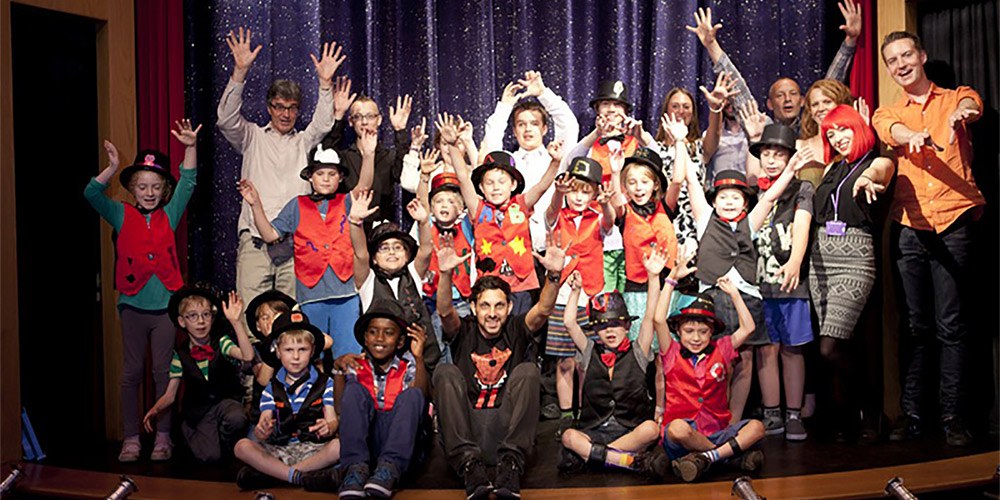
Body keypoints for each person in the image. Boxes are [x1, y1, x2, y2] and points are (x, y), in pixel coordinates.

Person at [872, 30, 983, 446]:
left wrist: (960, 116)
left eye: (906, 55)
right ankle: (913, 415)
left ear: (921, 56)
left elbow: (973, 105)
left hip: (954, 222)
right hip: (910, 226)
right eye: (892, 60)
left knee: (951, 325)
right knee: (915, 326)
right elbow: (892, 130)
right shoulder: (888, 113)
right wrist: (911, 136)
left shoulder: (955, 97)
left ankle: (954, 416)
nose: (900, 64)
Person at [84, 120, 201, 462]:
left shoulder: (171, 213)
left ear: (164, 190)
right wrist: (111, 168)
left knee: (164, 372)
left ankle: (163, 437)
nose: (149, 193)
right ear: (133, 190)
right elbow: (90, 194)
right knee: (132, 373)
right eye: (142, 187)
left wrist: (190, 147)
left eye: (155, 187)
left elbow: (189, 181)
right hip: (132, 306)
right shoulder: (119, 213)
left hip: (166, 306)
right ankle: (132, 438)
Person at [683, 134, 814, 423]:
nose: (729, 202)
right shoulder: (705, 220)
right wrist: (681, 143)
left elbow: (769, 196)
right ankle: (712, 416)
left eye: (736, 197)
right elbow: (691, 182)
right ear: (714, 201)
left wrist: (791, 170)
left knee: (744, 360)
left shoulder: (750, 223)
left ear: (744, 203)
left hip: (746, 300)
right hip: (714, 298)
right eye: (723, 197)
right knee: (716, 358)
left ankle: (734, 420)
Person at [217, 27, 346, 313]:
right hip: (255, 245)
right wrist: (239, 72)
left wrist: (325, 84)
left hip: (294, 247)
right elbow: (225, 120)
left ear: (298, 110)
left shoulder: (303, 142)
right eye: (279, 107)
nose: (285, 114)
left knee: (292, 319)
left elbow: (323, 125)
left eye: (292, 108)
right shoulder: (252, 136)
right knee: (253, 317)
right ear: (269, 107)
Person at [432, 235, 566, 500]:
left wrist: (553, 275)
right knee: (444, 372)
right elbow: (446, 313)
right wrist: (445, 275)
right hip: (467, 433)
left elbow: (542, 310)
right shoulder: (465, 330)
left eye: (499, 305)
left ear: (509, 307)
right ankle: (470, 467)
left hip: (507, 434)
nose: (492, 313)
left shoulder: (516, 328)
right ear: (473, 307)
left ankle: (511, 466)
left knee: (528, 371)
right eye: (485, 306)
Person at [686, 2, 863, 182]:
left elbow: (829, 88)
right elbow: (740, 93)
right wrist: (711, 45)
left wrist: (849, 43)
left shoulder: (812, 127)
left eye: (793, 94)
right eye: (780, 95)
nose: (787, 99)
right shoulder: (764, 127)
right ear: (770, 103)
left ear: (803, 101)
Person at [239, 142, 373, 358]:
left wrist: (368, 155)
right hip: (311, 294)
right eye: (321, 173)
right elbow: (270, 235)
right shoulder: (297, 205)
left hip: (345, 292)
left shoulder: (347, 201)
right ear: (310, 177)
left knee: (348, 356)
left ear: (340, 177)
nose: (326, 178)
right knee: (311, 356)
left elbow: (364, 186)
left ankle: (347, 391)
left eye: (332, 173)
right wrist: (255, 205)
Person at [811, 104, 894, 440]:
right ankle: (849, 416)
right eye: (831, 133)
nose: (837, 137)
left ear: (858, 128)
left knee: (830, 348)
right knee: (841, 345)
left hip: (855, 259)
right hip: (820, 263)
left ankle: (872, 409)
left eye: (843, 129)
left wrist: (868, 179)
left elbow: (882, 172)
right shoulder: (833, 168)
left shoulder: (875, 160)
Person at [557, 253, 669, 478]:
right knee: (569, 436)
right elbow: (569, 323)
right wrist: (575, 292)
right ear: (596, 331)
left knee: (651, 429)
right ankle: (625, 461)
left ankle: (598, 458)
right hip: (596, 430)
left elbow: (650, 316)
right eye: (603, 326)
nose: (609, 331)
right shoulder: (590, 352)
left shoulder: (638, 351)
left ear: (627, 325)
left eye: (616, 324)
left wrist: (653, 277)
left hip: (630, 429)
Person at [653, 261, 765, 483]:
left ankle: (705, 459)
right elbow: (658, 319)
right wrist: (671, 279)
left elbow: (749, 328)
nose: (696, 338)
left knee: (758, 427)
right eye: (689, 331)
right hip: (684, 433)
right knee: (676, 429)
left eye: (703, 332)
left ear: (712, 331)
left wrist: (734, 294)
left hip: (716, 429)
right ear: (678, 330)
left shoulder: (722, 348)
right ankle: (722, 457)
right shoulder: (672, 351)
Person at [446, 122, 563, 315]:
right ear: (482, 188)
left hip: (522, 284)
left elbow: (542, 186)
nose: (496, 187)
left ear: (513, 184)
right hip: (489, 286)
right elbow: (462, 177)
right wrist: (452, 146)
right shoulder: (478, 208)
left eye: (502, 182)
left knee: (521, 335)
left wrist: (555, 162)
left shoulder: (522, 204)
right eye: (489, 183)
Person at [746, 124, 816, 440]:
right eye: (766, 154)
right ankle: (771, 411)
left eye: (779, 154)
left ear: (791, 157)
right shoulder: (752, 192)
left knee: (792, 349)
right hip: (758, 284)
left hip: (789, 283)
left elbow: (802, 224)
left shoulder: (803, 189)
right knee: (766, 350)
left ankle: (793, 413)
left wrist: (795, 262)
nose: (772, 160)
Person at [543, 157, 616, 436]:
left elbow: (608, 222)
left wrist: (607, 202)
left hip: (591, 295)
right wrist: (558, 193)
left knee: (587, 359)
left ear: (595, 193)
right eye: (574, 189)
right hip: (562, 296)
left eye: (586, 191)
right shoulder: (558, 214)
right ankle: (565, 413)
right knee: (565, 361)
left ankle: (587, 409)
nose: (578, 196)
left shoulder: (597, 216)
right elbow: (550, 212)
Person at [142, 287, 255, 462]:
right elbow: (170, 395)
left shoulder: (221, 342)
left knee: (237, 417)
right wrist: (155, 410)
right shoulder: (180, 355)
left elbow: (248, 356)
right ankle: (190, 432)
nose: (201, 322)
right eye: (193, 316)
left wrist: (236, 322)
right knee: (210, 456)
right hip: (199, 412)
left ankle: (225, 442)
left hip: (224, 403)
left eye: (206, 315)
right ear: (182, 321)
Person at [234, 311, 341, 491]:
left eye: (303, 350)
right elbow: (263, 423)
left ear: (313, 351)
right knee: (242, 446)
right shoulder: (271, 387)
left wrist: (329, 426)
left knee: (340, 446)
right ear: (278, 351)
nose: (296, 357)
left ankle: (278, 475)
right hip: (280, 449)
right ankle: (298, 477)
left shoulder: (325, 383)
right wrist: (262, 431)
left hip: (312, 449)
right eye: (289, 350)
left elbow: (332, 419)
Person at [332, 301, 429, 498]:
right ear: (365, 338)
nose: (380, 338)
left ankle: (388, 469)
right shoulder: (354, 365)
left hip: (401, 444)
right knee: (354, 390)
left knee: (412, 395)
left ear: (400, 342)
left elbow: (421, 398)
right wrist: (338, 371)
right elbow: (341, 410)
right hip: (366, 441)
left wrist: (419, 358)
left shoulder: (408, 366)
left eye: (388, 333)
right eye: (373, 332)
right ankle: (354, 470)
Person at [481, 70, 581, 253]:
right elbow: (491, 143)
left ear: (544, 129)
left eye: (534, 124)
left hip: (550, 246)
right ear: (514, 131)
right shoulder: (507, 163)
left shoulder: (557, 157)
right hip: (511, 248)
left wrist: (543, 94)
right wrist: (504, 107)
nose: (528, 129)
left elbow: (569, 125)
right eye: (521, 124)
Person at [348, 189, 442, 371]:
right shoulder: (368, 280)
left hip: (420, 358)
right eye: (384, 248)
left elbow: (426, 250)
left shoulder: (413, 274)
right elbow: (360, 253)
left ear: (407, 255)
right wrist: (355, 222)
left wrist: (423, 222)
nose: (392, 252)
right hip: (382, 361)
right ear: (374, 258)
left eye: (398, 247)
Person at [647, 75, 737, 247]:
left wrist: (715, 108)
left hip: (695, 224)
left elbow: (715, 133)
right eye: (675, 106)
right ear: (666, 111)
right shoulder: (655, 148)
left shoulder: (698, 147)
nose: (681, 111)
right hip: (663, 220)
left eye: (686, 107)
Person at [414, 154, 476, 365]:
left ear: (460, 207)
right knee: (437, 351)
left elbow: (471, 196)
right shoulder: (427, 225)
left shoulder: (466, 227)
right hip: (432, 301)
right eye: (439, 200)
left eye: (451, 201)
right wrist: (424, 176)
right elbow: (421, 205)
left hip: (462, 301)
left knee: (463, 350)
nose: (444, 205)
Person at [321, 92, 414, 227]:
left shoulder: (389, 156)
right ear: (351, 122)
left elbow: (404, 175)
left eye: (370, 116)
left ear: (379, 120)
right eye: (358, 117)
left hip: (381, 231)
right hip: (347, 227)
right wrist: (338, 117)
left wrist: (400, 131)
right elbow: (325, 155)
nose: (364, 122)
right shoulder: (343, 157)